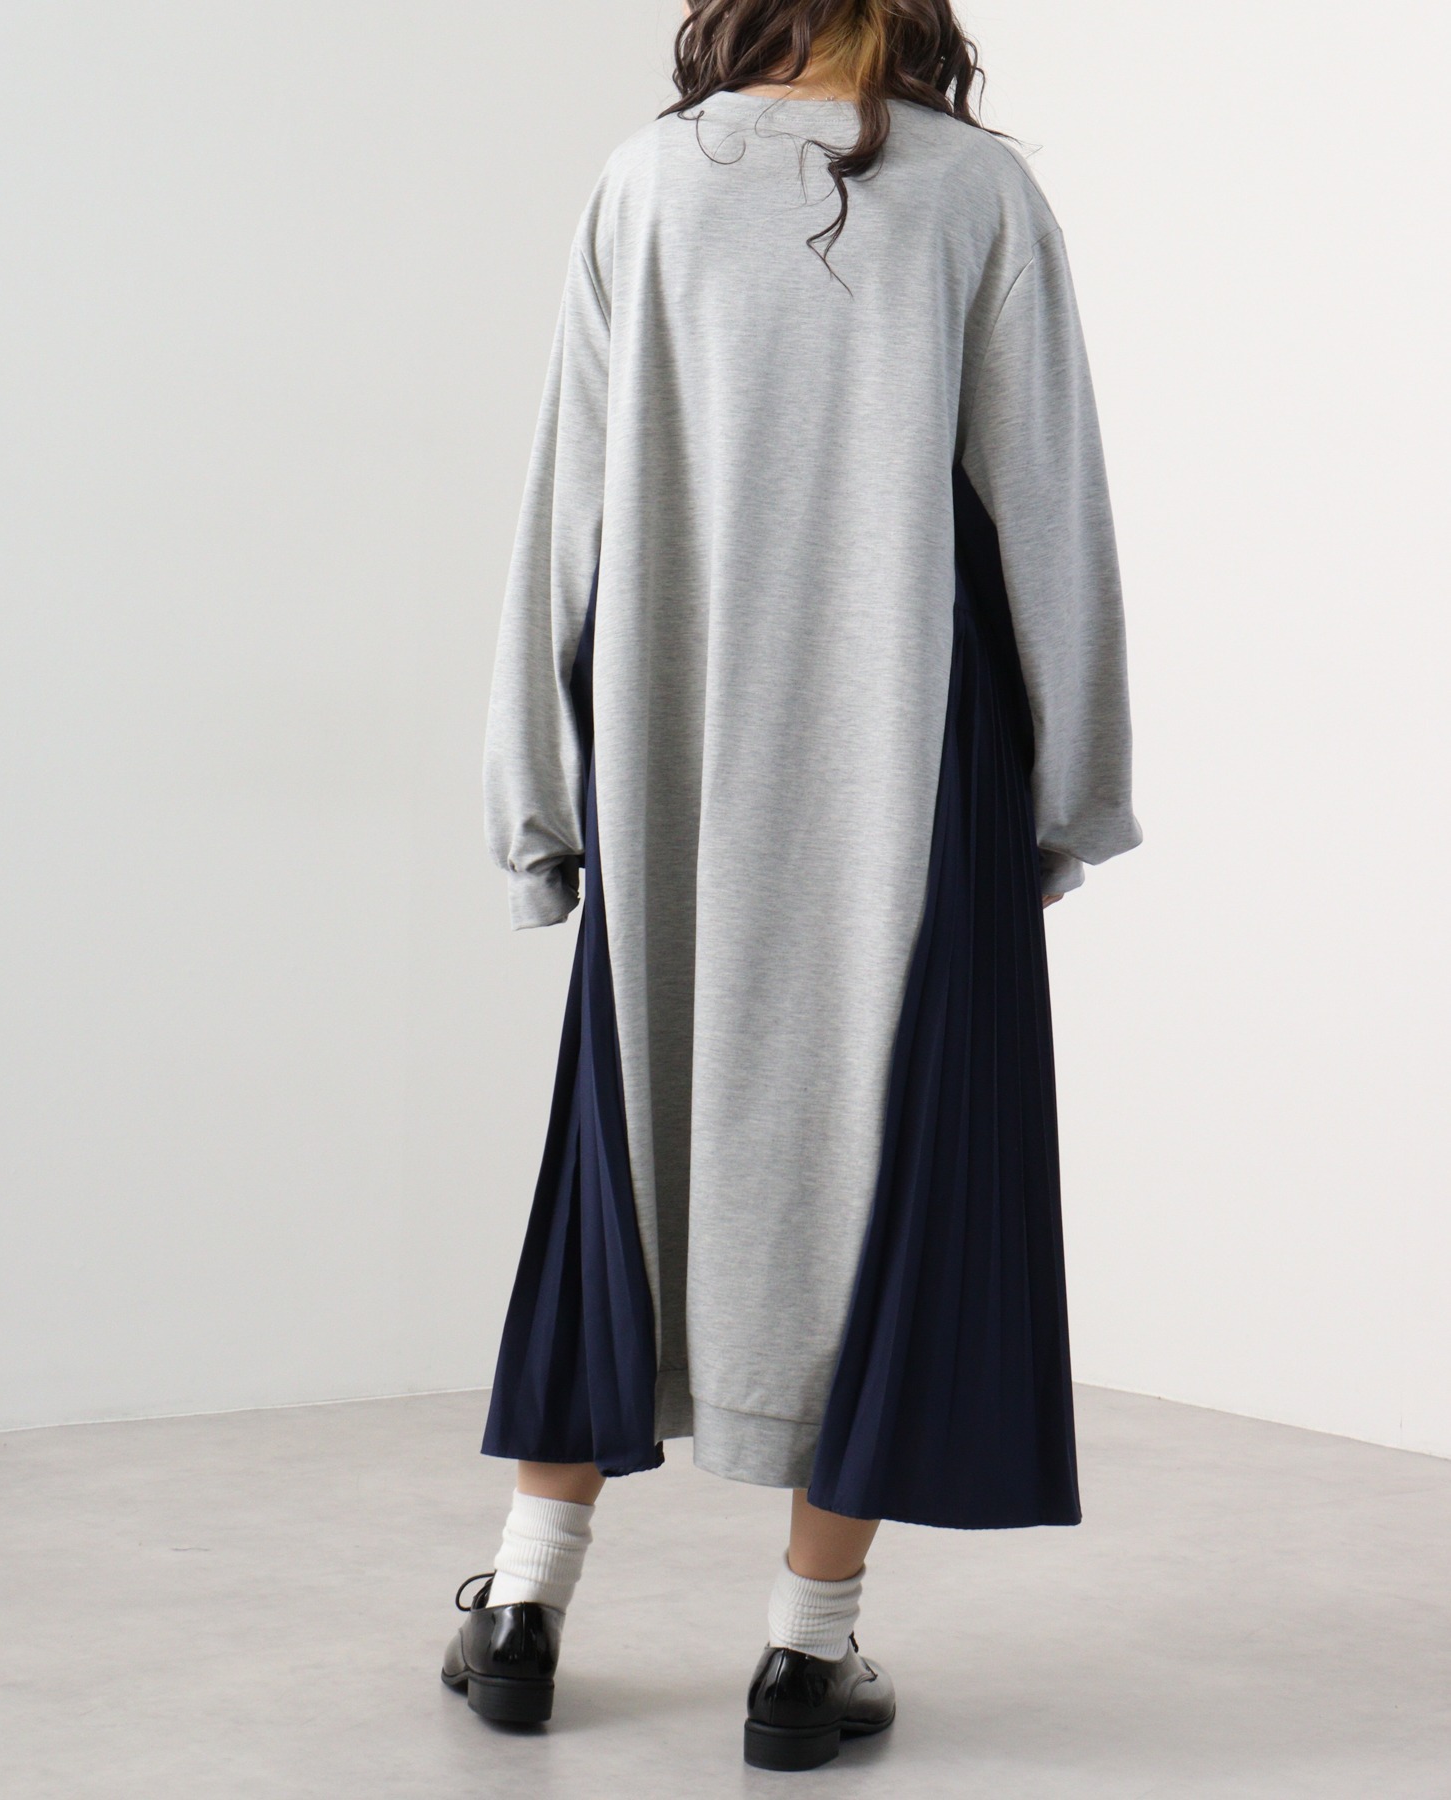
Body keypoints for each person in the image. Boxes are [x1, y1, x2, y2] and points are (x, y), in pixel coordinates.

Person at [443, 0, 1142, 1772]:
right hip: (915, 751)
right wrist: (1073, 789)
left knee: (618, 1163)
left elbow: (568, 498)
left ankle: (522, 1604)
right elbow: (1046, 498)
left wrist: (539, 798)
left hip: (671, 743)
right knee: (900, 1186)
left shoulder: (645, 181)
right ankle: (804, 1657)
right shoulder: (975, 191)